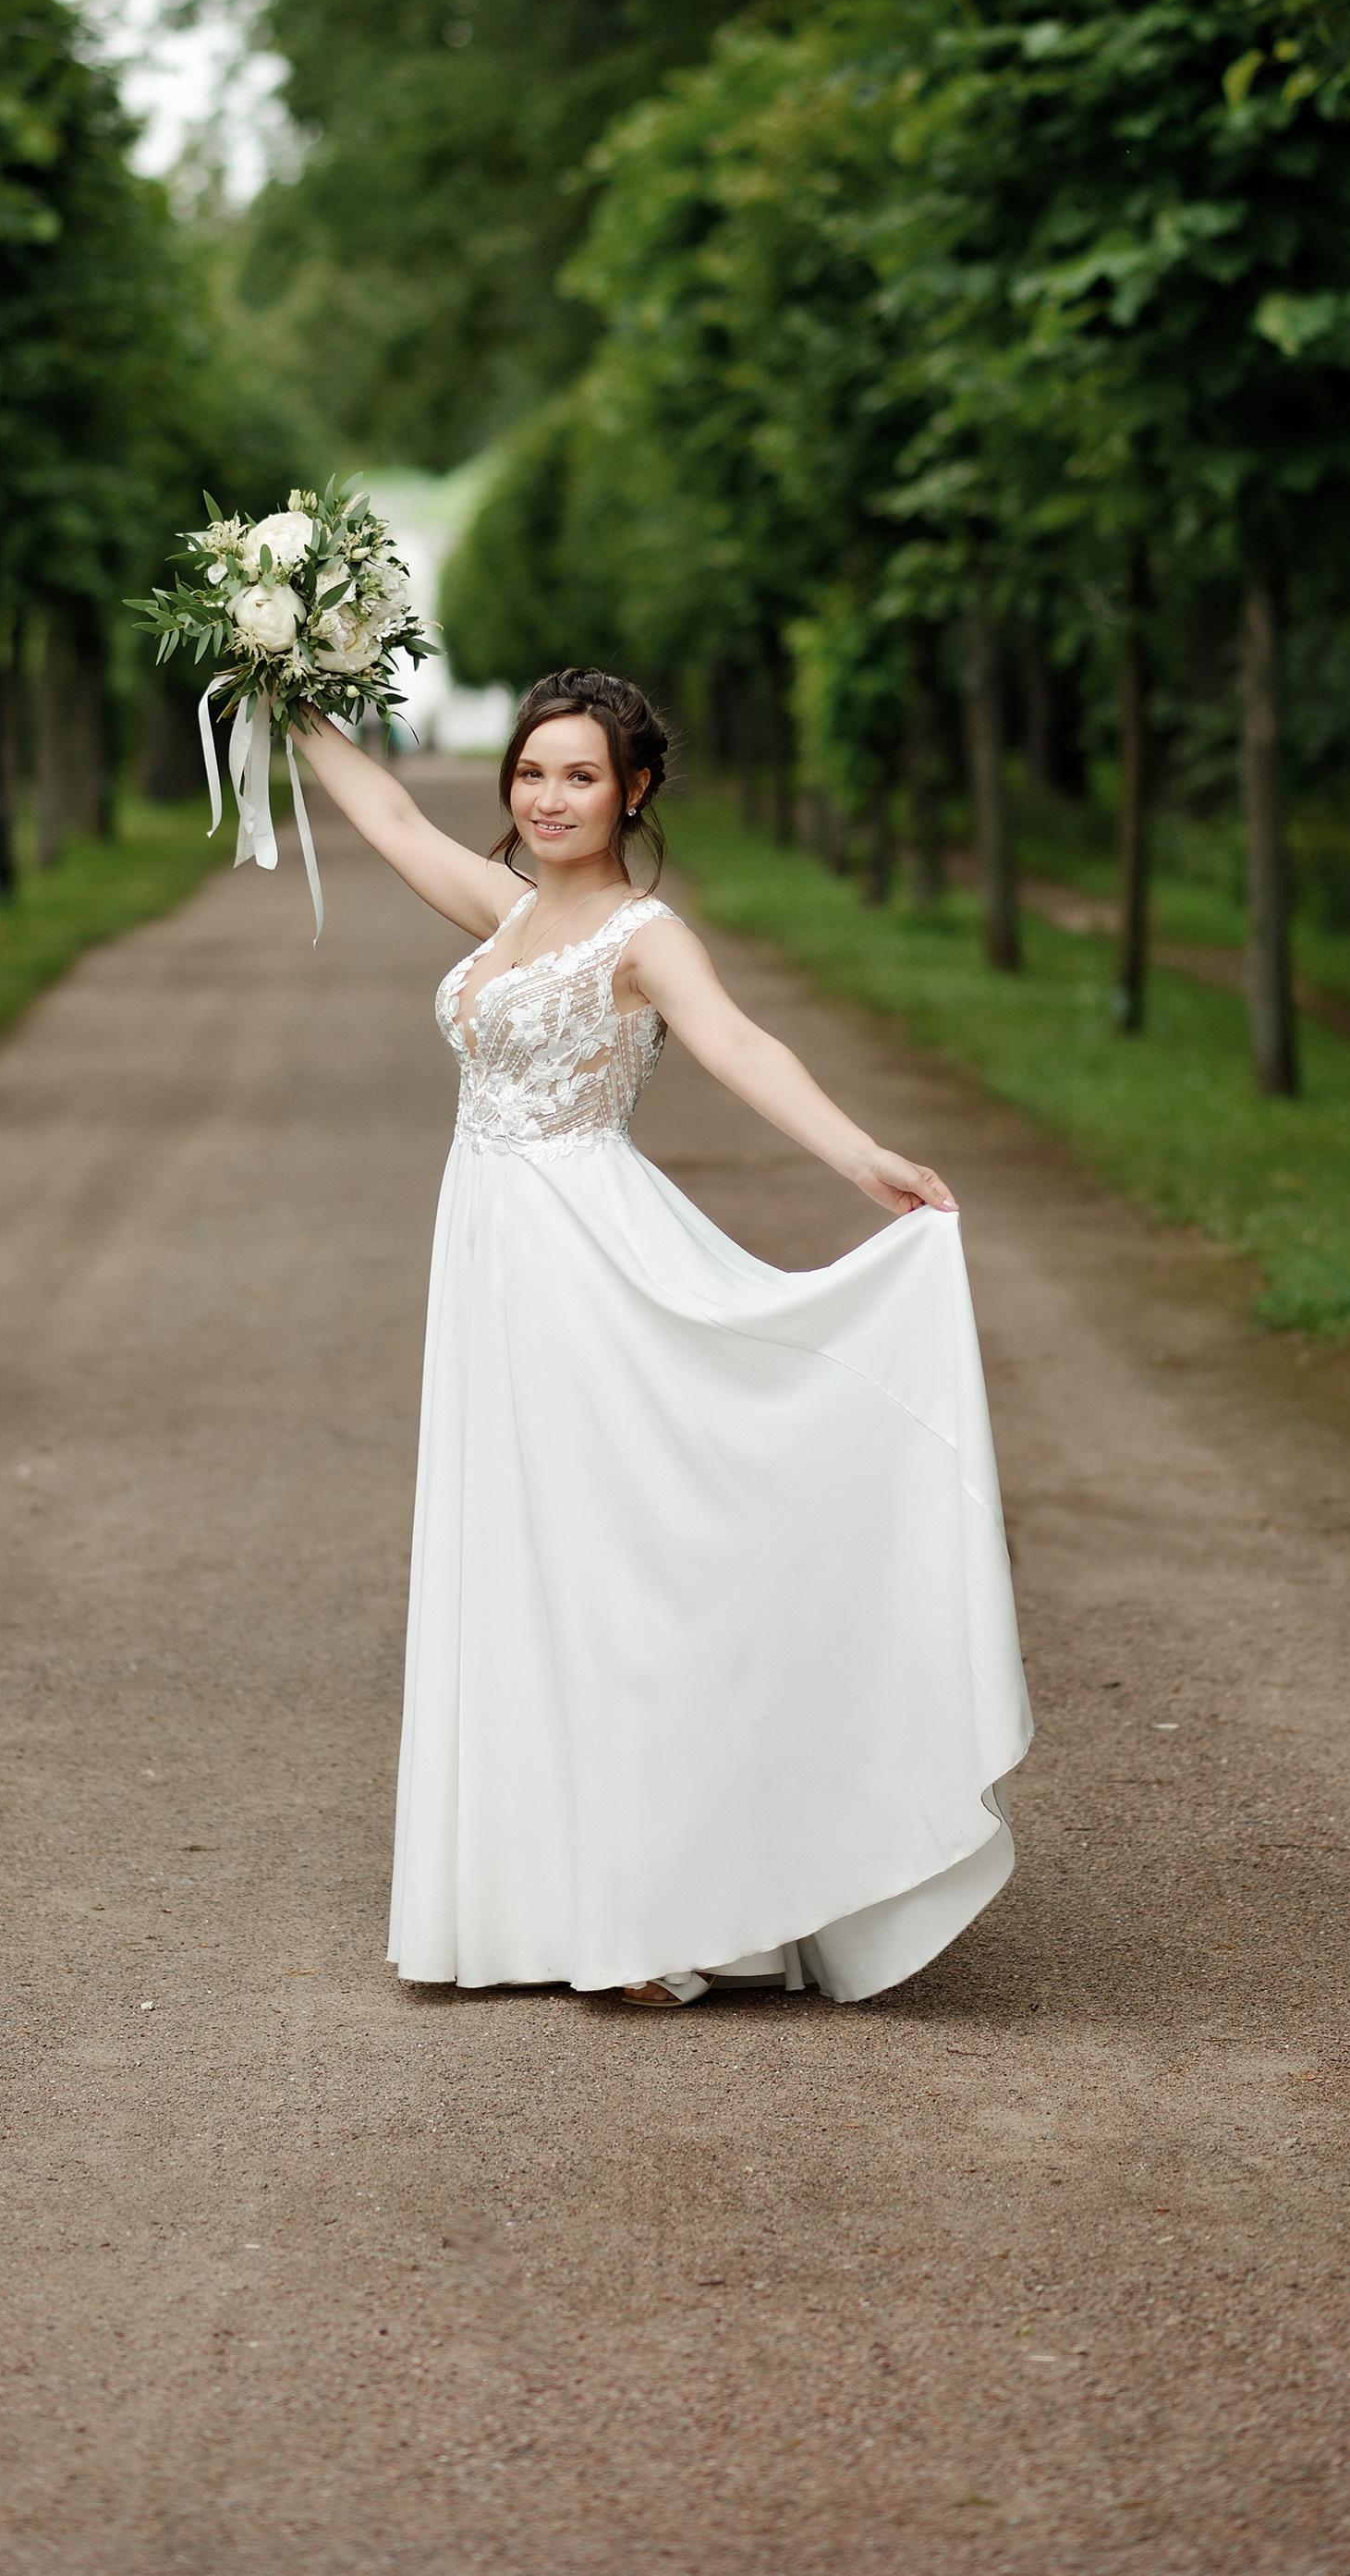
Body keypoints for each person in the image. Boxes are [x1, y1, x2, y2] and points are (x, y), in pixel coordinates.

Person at [293, 667, 1031, 2008]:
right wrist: (279, 690)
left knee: (616, 1562)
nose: (547, 797)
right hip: (494, 1268)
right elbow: (394, 822)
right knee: (530, 1565)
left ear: (633, 791)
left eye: (579, 775)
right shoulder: (507, 910)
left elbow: (739, 1043)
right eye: (530, 773)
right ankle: (567, 1896)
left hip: (589, 1261)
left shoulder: (643, 937)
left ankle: (667, 1909)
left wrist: (860, 1154)